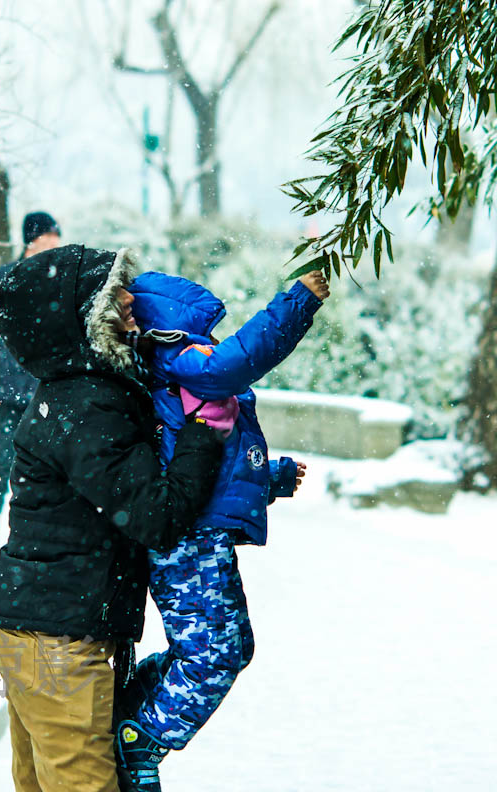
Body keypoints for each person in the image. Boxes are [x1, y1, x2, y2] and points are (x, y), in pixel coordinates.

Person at [0, 243, 226, 792]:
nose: (129, 298)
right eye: (113, 291)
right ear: (82, 317)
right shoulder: (87, 404)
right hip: (59, 644)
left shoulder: (75, 394)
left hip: (38, 634)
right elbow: (156, 514)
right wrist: (207, 431)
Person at [113, 269, 330, 791]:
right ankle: (142, 735)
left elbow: (217, 447)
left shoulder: (178, 360)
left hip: (197, 533)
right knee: (215, 654)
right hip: (186, 538)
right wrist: (296, 304)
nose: (214, 339)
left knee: (228, 647)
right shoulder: (175, 354)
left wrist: (268, 477)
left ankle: (132, 703)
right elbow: (235, 365)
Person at [0, 211, 61, 539]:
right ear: (32, 240)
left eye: (56, 237)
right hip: (7, 387)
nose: (54, 243)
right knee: (3, 454)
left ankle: (32, 520)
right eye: (49, 237)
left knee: (44, 458)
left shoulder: (59, 282)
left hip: (44, 388)